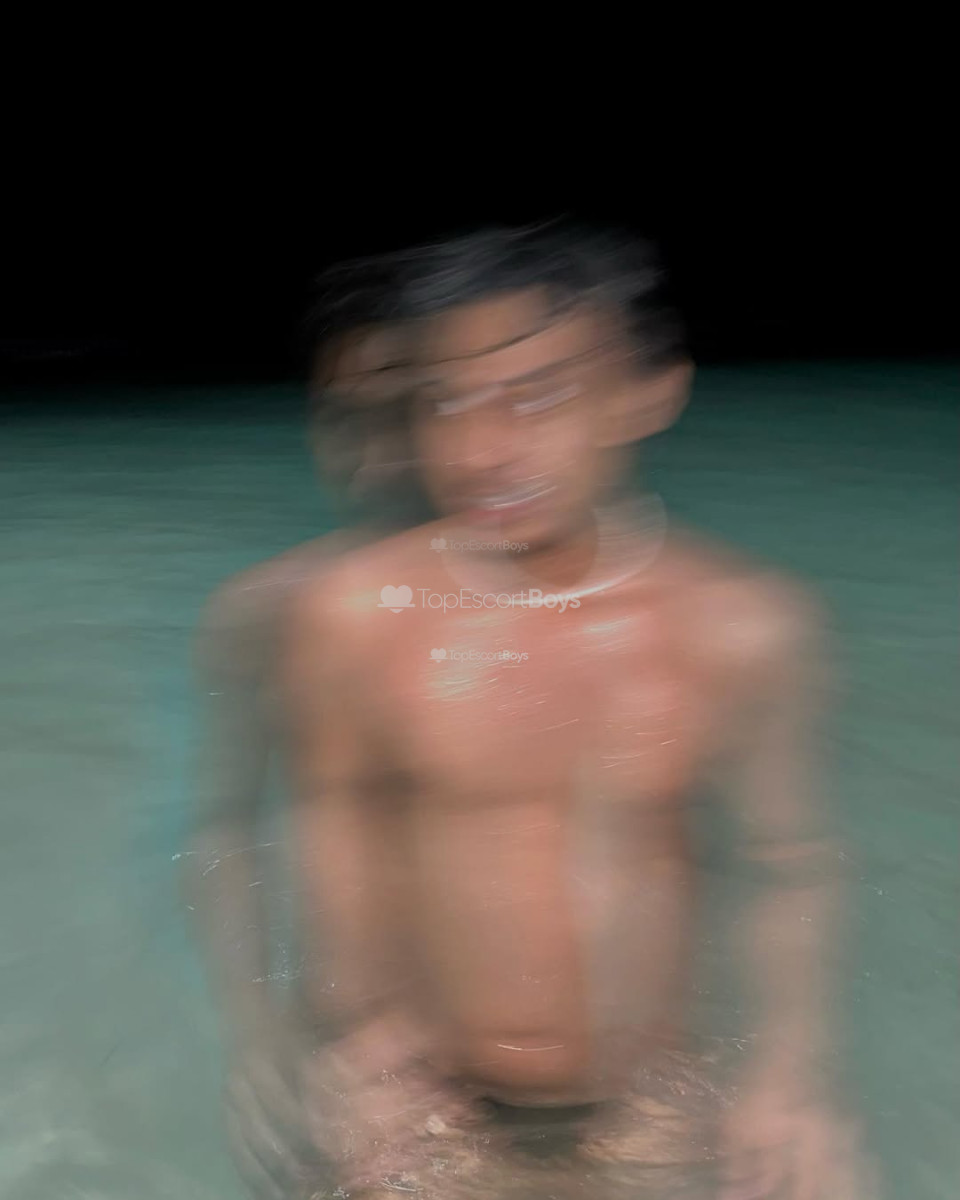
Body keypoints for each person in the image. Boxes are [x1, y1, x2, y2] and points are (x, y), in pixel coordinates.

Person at [284, 224, 876, 1200]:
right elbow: (335, 823)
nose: (480, 449)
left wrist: (787, 1078)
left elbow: (786, 863)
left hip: (653, 1100)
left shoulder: (742, 627)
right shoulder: (359, 615)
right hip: (432, 1101)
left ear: (649, 393)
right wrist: (357, 1034)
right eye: (446, 401)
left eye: (536, 396)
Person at [183, 262, 425, 1199]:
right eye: (344, 420)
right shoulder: (263, 616)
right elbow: (224, 829)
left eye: (404, 413)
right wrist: (254, 1037)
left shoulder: (576, 610)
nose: (372, 459)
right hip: (356, 1055)